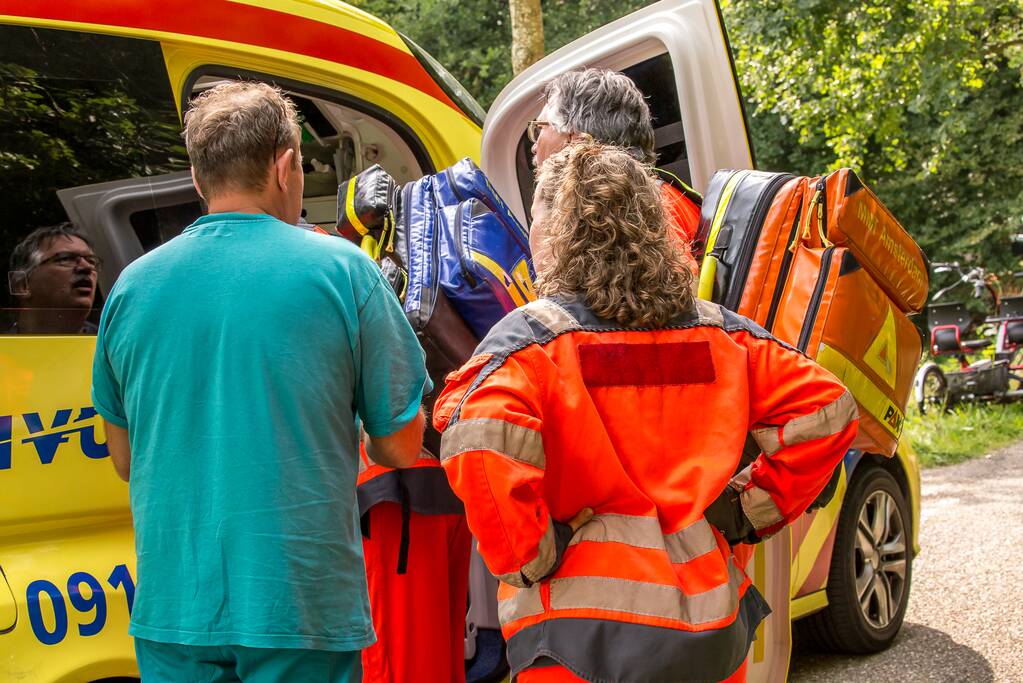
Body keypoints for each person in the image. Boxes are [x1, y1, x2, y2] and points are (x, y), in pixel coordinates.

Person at [433, 143, 858, 683]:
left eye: (536, 215)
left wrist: (530, 556)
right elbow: (829, 410)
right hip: (708, 632)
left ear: (557, 229)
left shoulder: (532, 341)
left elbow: (478, 438)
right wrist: (745, 511)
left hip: (575, 640)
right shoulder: (719, 335)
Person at [91, 81, 430, 682]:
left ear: (199, 180)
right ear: (286, 164)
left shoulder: (131, 288)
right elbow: (401, 444)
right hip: (297, 604)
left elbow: (123, 458)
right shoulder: (344, 271)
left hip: (174, 611)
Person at [527, 68, 702, 251]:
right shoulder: (656, 196)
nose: (534, 146)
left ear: (575, 139)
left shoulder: (625, 219)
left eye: (540, 129)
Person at [6, 223, 99, 334]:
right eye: (65, 259)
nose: (87, 267)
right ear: (22, 285)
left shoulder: (112, 345)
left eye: (91, 261)